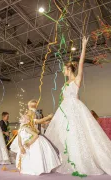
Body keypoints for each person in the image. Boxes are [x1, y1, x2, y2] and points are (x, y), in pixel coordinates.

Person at [45, 36, 111, 176]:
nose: (63, 71)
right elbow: (63, 98)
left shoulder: (77, 79)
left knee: (77, 133)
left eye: (64, 69)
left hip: (75, 108)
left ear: (69, 69)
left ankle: (81, 161)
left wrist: (84, 45)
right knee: (64, 135)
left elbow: (80, 63)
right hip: (64, 110)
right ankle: (63, 160)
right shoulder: (64, 84)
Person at [16, 110, 60, 175]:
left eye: (23, 118)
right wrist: (20, 146)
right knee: (27, 156)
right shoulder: (20, 129)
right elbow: (19, 140)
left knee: (36, 155)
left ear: (28, 120)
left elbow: (36, 135)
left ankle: (39, 168)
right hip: (25, 144)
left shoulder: (28, 127)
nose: (21, 118)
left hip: (32, 142)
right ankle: (28, 167)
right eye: (22, 117)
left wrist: (29, 143)